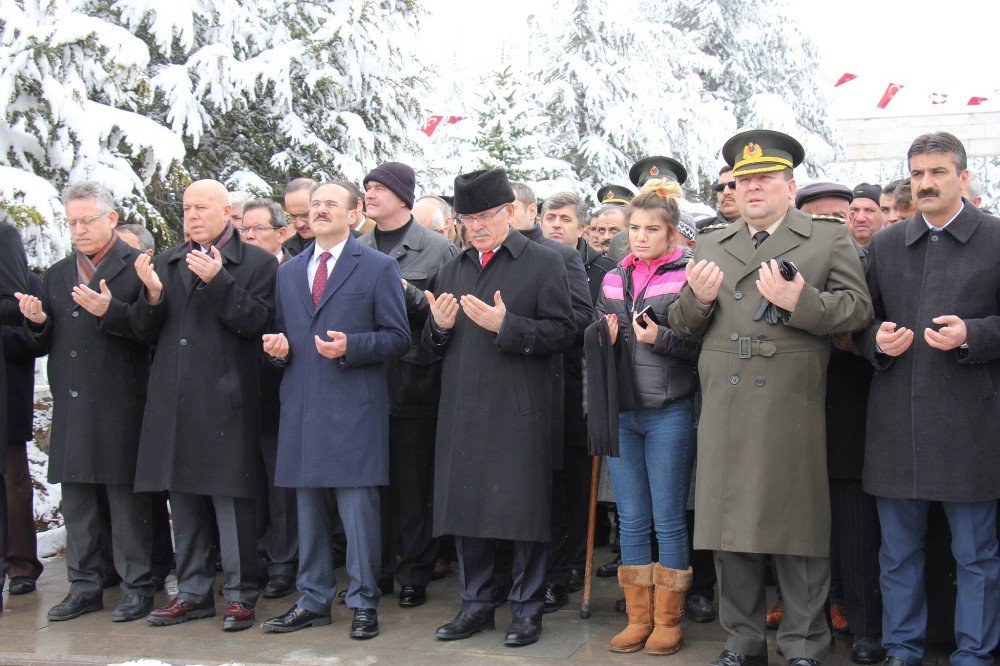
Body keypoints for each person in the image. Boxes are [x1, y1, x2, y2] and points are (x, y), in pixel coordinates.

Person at [668, 129, 873, 666]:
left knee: (797, 526)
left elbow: (856, 310)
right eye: (744, 180)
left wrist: (799, 300)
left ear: (789, 185)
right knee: (727, 524)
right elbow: (684, 324)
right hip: (726, 396)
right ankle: (743, 641)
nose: (752, 188)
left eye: (764, 179)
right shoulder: (713, 240)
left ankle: (805, 643)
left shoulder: (827, 238)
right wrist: (699, 298)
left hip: (790, 397)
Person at [857, 131, 1000, 666]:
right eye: (917, 174)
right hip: (896, 423)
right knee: (897, 553)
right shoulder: (888, 244)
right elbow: (857, 321)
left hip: (971, 424)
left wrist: (976, 334)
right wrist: (876, 340)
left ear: (963, 177)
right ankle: (901, 649)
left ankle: (975, 654)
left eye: (938, 172)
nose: (926, 183)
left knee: (977, 555)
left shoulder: (995, 238)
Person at [423, 168, 575, 647]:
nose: (479, 226)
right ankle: (475, 606)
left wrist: (507, 325)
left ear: (510, 211)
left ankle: (527, 610)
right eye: (469, 218)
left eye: (487, 215)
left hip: (520, 410)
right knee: (466, 509)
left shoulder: (544, 263)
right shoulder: (451, 268)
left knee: (522, 514)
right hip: (463, 410)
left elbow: (565, 332)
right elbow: (428, 348)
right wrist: (439, 329)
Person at [260, 181, 409, 639]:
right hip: (302, 407)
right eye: (316, 203)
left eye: (331, 204)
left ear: (353, 213)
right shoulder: (288, 271)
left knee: (357, 510)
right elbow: (284, 334)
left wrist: (352, 346)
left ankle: (364, 602)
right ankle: (313, 600)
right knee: (307, 510)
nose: (320, 210)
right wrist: (277, 351)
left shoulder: (378, 267)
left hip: (354, 408)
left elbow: (399, 337)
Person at [131, 179, 277, 632]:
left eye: (202, 208)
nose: (192, 216)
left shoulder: (256, 263)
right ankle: (192, 593)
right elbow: (143, 331)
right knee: (186, 500)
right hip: (175, 402)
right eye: (187, 208)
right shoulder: (166, 262)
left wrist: (218, 281)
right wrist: (152, 296)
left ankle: (239, 595)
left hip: (226, 400)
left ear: (227, 213)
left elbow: (256, 321)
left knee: (231, 502)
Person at [15, 182, 156, 623]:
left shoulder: (139, 267)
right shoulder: (57, 273)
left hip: (121, 405)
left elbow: (152, 332)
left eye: (87, 220)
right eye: (72, 221)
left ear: (111, 219)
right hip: (73, 408)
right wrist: (37, 324)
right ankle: (85, 586)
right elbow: (47, 342)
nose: (78, 229)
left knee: (125, 504)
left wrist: (109, 312)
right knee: (78, 505)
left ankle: (137, 587)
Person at [594, 178, 699, 655]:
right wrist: (604, 337)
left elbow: (702, 347)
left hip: (668, 410)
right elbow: (595, 334)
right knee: (632, 518)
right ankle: (638, 618)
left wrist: (663, 341)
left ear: (672, 233)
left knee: (668, 519)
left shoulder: (689, 274)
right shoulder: (614, 276)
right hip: (622, 410)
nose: (640, 236)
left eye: (652, 229)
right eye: (634, 227)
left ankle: (668, 620)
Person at [357, 162, 458, 608]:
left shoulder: (437, 250)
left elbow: (446, 322)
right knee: (368, 484)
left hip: (416, 383)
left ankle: (415, 572)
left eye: (380, 188)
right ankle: (374, 571)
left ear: (403, 197)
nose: (370, 194)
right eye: (367, 188)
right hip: (361, 383)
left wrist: (410, 296)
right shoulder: (355, 246)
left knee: (413, 488)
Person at [512, 186, 595, 612]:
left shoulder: (565, 259)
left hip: (566, 385)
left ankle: (561, 574)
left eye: (566, 220)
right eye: (552, 218)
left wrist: (518, 325)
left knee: (565, 489)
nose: (556, 225)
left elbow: (581, 319)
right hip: (520, 387)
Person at [237, 197, 297, 599]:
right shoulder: (232, 272)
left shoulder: (294, 271)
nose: (250, 236)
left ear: (282, 232)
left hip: (283, 392)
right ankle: (253, 558)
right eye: (244, 230)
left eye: (259, 229)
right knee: (249, 482)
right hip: (239, 393)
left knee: (282, 486)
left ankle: (283, 563)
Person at [3, 270, 43, 600]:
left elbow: (34, 339)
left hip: (7, 398)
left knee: (12, 482)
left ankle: (21, 564)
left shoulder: (23, 283)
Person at [0, 218, 28, 612]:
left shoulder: (3, 234)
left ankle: (21, 566)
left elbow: (15, 301)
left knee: (11, 479)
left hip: (5, 381)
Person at [609, 157, 687, 262]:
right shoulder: (619, 242)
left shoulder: (692, 235)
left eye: (653, 229)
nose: (641, 238)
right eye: (634, 228)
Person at [240, 198, 291, 263]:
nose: (249, 235)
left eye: (258, 228)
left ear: (281, 234)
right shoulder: (232, 270)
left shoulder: (299, 270)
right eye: (245, 229)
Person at [282, 178, 317, 256]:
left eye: (305, 215)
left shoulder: (346, 246)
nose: (299, 224)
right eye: (293, 216)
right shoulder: (285, 251)